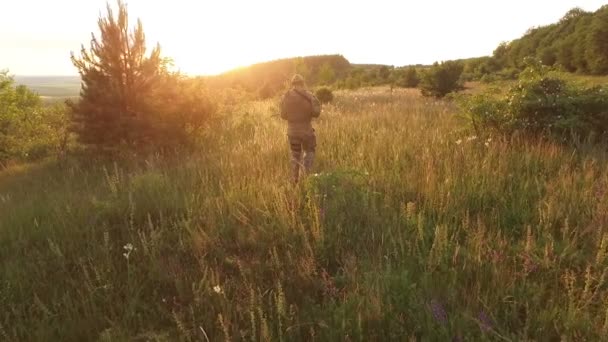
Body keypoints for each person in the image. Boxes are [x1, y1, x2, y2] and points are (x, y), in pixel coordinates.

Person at [280, 74, 321, 183]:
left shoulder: (285, 96)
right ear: (303, 83)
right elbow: (316, 113)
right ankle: (307, 179)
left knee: (295, 155)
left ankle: (295, 180)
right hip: (306, 132)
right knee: (309, 152)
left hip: (292, 132)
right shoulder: (309, 96)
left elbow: (283, 115)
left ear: (292, 84)